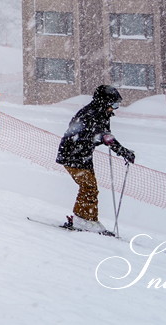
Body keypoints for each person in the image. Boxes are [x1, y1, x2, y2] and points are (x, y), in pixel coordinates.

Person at [55, 85, 136, 233]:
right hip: (73, 154)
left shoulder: (101, 113)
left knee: (89, 187)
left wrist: (120, 149)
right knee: (89, 188)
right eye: (114, 104)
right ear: (104, 101)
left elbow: (106, 136)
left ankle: (85, 218)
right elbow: (104, 137)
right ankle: (85, 220)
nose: (114, 108)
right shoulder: (92, 114)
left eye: (117, 105)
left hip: (82, 155)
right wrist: (121, 150)